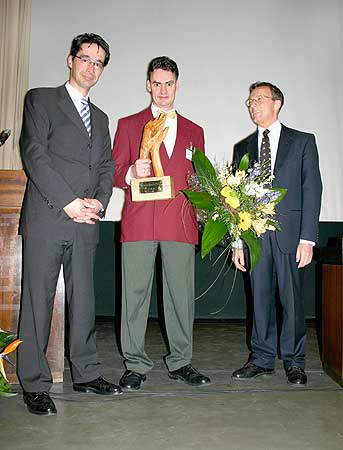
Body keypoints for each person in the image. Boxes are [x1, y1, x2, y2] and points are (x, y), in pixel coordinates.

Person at [18, 33, 122, 416]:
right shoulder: (41, 99)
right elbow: (34, 154)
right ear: (70, 60)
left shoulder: (102, 118)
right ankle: (34, 382)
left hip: (86, 222)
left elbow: (107, 166)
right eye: (86, 59)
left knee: (84, 301)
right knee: (36, 302)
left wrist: (98, 200)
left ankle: (87, 372)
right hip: (48, 217)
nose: (91, 67)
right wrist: (69, 201)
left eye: (99, 63)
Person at [112, 56, 211, 390]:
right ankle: (135, 364)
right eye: (157, 83)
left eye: (169, 83)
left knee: (180, 296)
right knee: (134, 295)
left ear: (177, 85)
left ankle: (181, 361)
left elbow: (199, 181)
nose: (163, 90)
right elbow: (113, 170)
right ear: (147, 85)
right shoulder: (128, 125)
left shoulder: (195, 131)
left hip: (180, 225)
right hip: (139, 222)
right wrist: (129, 173)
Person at [231, 81, 322, 385]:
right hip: (254, 236)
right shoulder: (242, 148)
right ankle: (261, 358)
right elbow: (233, 199)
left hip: (290, 235)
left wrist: (307, 238)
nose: (252, 105)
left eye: (258, 99)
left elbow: (312, 190)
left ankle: (294, 361)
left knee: (292, 301)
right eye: (249, 101)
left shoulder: (302, 142)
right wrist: (237, 242)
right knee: (259, 300)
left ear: (276, 103)